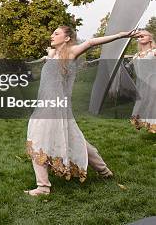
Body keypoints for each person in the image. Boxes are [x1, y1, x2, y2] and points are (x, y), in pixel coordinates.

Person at [25, 26, 139, 196]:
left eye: (56, 33)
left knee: (36, 139)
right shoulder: (52, 55)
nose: (51, 35)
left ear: (67, 38)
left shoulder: (71, 52)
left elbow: (92, 42)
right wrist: (48, 56)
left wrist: (122, 34)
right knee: (75, 139)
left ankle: (43, 187)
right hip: (46, 105)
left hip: (55, 107)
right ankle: (104, 171)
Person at [129, 30, 156, 133]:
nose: (140, 37)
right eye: (138, 36)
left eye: (143, 35)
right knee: (144, 105)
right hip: (142, 85)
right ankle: (146, 124)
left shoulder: (154, 52)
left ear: (150, 38)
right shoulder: (135, 56)